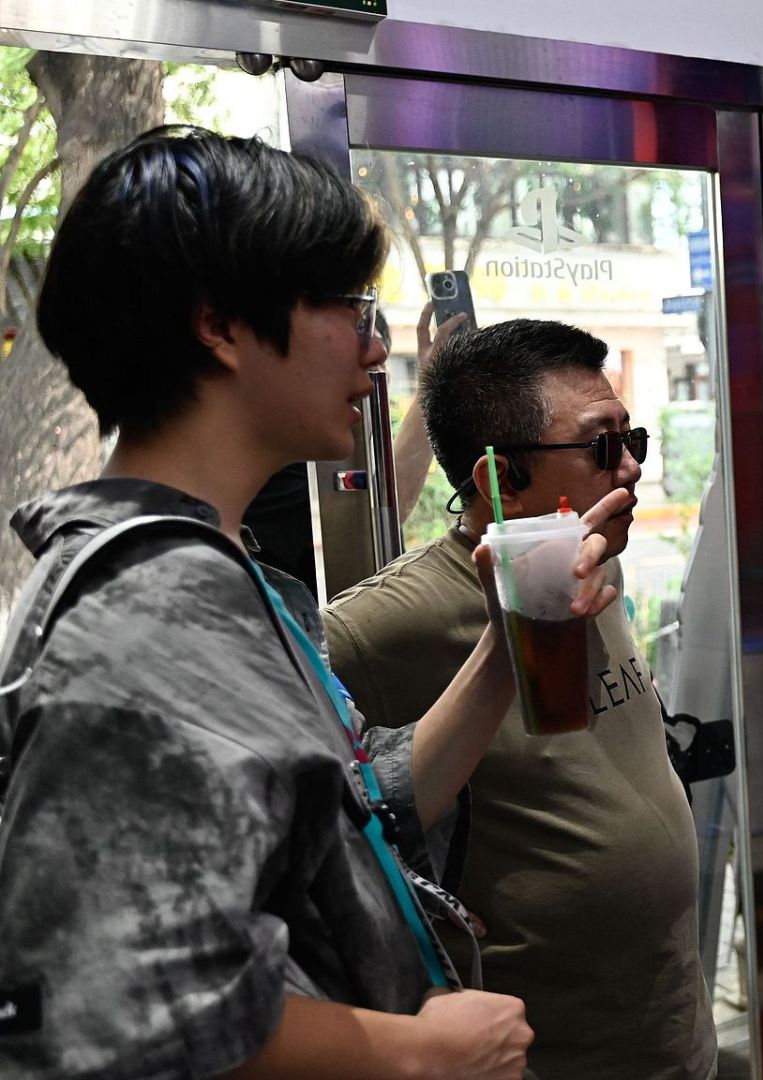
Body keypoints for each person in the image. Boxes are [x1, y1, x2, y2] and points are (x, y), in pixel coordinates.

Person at [0, 126, 632, 1078]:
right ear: (220, 324)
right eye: (345, 305)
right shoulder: (144, 620)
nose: (377, 345)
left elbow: (354, 802)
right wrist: (412, 1052)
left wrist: (515, 638)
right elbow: (124, 1004)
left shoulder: (217, 568)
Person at [322, 318, 718, 1079]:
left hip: (667, 1039)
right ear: (499, 481)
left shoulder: (598, 566)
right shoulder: (392, 623)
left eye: (632, 438)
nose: (631, 466)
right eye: (603, 446)